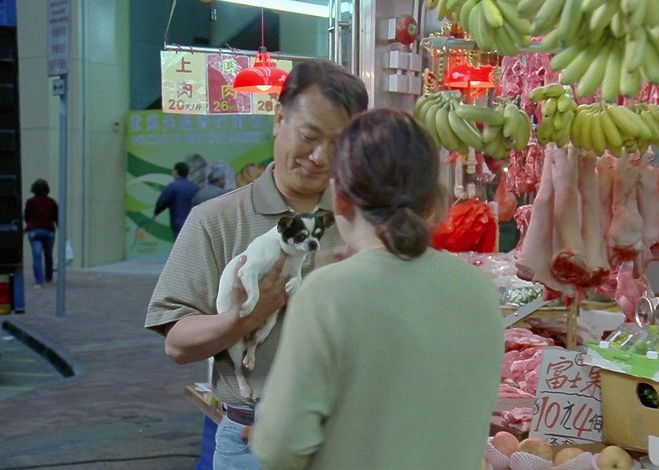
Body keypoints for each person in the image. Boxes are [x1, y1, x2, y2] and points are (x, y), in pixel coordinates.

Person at [249, 109, 505, 469]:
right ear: (433, 203)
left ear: (339, 197)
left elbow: (279, 447)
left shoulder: (327, 293)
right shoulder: (479, 289)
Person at [145, 59, 368, 470]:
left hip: (348, 440)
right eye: (309, 136)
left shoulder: (362, 222)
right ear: (279, 119)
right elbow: (176, 344)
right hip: (252, 443)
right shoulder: (215, 220)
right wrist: (247, 316)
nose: (320, 157)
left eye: (338, 144)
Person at [24, 179, 58, 288]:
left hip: (35, 231)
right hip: (49, 231)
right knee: (48, 255)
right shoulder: (52, 202)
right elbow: (56, 218)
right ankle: (48, 277)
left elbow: (27, 217)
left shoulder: (30, 202)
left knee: (37, 256)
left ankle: (39, 281)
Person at [153, 161, 199, 240]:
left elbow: (163, 201)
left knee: (180, 244)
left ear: (176, 171)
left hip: (178, 222)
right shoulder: (195, 187)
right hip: (193, 222)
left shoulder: (173, 186)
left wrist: (156, 212)